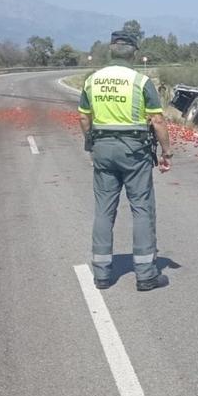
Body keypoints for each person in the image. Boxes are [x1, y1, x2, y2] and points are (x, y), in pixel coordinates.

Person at [77, 31, 173, 290]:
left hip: (103, 149)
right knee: (141, 208)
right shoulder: (141, 82)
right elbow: (158, 121)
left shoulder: (92, 80)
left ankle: (102, 274)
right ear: (133, 52)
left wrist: (91, 144)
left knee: (104, 210)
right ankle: (145, 275)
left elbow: (84, 118)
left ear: (110, 49)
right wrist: (166, 152)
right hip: (135, 151)